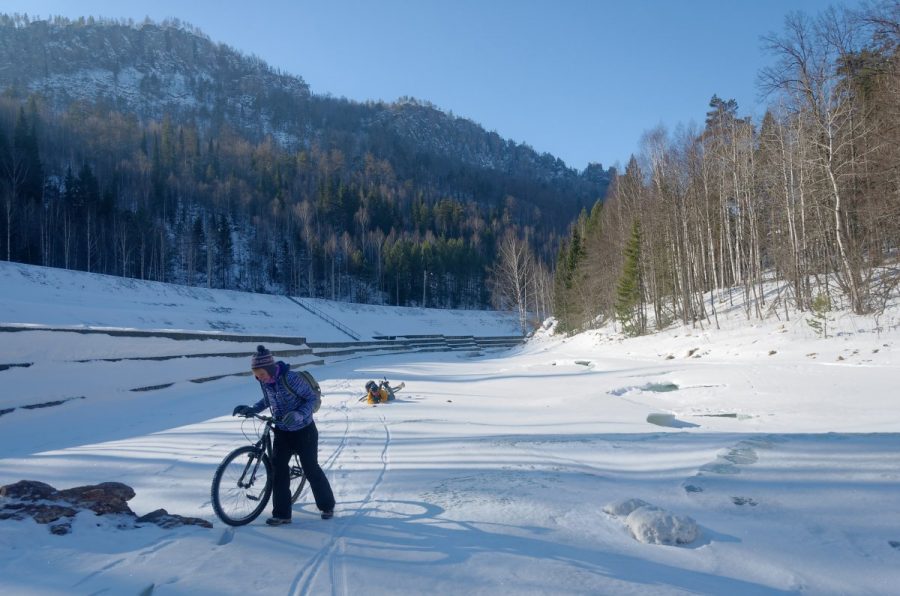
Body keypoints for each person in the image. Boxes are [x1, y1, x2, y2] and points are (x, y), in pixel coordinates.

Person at [232, 345, 335, 525]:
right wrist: (252, 408)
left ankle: (327, 505)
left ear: (270, 369)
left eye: (261, 374)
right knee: (278, 470)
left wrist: (298, 414)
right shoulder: (266, 382)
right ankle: (282, 514)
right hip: (282, 430)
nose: (259, 378)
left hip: (304, 430)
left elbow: (311, 398)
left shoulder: (290, 378)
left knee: (310, 468)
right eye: (256, 374)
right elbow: (268, 400)